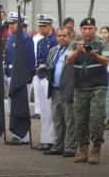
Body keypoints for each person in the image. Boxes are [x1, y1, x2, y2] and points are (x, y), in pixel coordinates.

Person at [66, 17, 109, 164]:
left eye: (90, 28)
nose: (87, 31)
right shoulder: (74, 43)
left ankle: (96, 149)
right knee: (80, 120)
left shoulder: (102, 42)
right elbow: (68, 61)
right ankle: (83, 150)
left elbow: (106, 61)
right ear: (81, 29)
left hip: (98, 87)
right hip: (80, 87)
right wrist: (78, 51)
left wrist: (94, 55)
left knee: (96, 120)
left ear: (95, 29)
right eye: (84, 28)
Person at [43, 27, 77, 157]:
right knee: (57, 120)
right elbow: (50, 64)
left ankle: (70, 147)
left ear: (70, 37)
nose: (61, 38)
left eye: (64, 36)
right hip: (54, 89)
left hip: (67, 89)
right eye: (59, 35)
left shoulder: (73, 51)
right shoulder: (54, 49)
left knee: (70, 121)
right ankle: (58, 146)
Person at [4, 12, 35, 145]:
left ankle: (24, 136)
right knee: (13, 107)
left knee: (22, 107)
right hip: (10, 75)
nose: (11, 25)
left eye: (14, 23)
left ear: (21, 23)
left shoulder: (26, 38)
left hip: (21, 78)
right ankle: (17, 134)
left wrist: (27, 78)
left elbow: (30, 60)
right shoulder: (11, 38)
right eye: (10, 23)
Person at [33, 14, 58, 151]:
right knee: (43, 110)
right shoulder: (41, 41)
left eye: (44, 26)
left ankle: (50, 140)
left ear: (50, 27)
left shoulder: (54, 40)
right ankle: (45, 139)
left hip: (49, 77)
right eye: (40, 26)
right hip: (40, 76)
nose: (41, 29)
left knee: (49, 110)